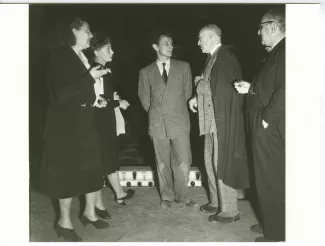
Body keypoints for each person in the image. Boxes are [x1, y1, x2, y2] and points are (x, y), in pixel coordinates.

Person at [39, 17, 110, 242]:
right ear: (74, 32)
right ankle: (64, 222)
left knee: (92, 166)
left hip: (83, 121)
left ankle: (89, 213)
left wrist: (93, 100)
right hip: (64, 126)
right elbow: (61, 93)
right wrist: (90, 77)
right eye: (87, 30)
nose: (91, 35)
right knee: (66, 173)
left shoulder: (82, 56)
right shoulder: (59, 54)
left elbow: (78, 89)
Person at [189, 24, 249, 223]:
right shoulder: (213, 57)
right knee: (209, 162)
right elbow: (212, 87)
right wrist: (197, 96)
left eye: (201, 38)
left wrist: (199, 83)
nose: (198, 43)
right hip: (211, 119)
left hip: (221, 120)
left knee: (221, 163)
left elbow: (219, 87)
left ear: (212, 37)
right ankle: (216, 202)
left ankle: (230, 210)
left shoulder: (224, 57)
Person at [234, 8, 285, 242]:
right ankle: (271, 224)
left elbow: (286, 91)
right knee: (267, 181)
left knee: (271, 183)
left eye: (261, 27)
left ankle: (276, 235)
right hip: (269, 128)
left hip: (271, 130)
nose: (258, 32)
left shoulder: (284, 52)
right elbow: (270, 86)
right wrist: (251, 88)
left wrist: (265, 120)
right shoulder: (276, 53)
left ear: (272, 27)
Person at [138, 31, 196, 209]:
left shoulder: (183, 66)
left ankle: (183, 195)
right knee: (162, 162)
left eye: (171, 43)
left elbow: (187, 93)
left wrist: (173, 110)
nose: (170, 46)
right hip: (158, 122)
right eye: (166, 43)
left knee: (184, 160)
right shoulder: (145, 72)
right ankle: (167, 195)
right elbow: (144, 99)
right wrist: (159, 113)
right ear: (155, 47)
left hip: (179, 120)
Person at [88, 33, 134, 220]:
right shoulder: (96, 70)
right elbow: (97, 100)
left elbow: (105, 95)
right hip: (98, 123)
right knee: (101, 161)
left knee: (107, 159)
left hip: (105, 122)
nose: (112, 52)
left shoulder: (103, 70)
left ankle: (118, 195)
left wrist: (115, 98)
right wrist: (118, 103)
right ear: (97, 51)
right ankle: (98, 205)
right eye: (108, 49)